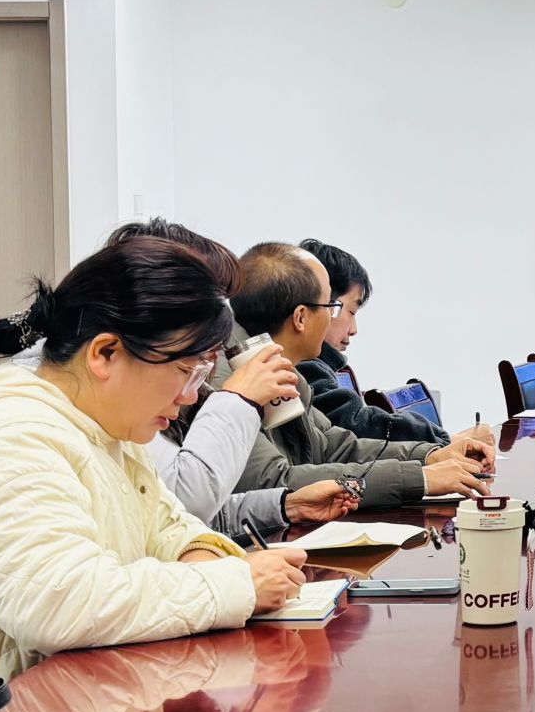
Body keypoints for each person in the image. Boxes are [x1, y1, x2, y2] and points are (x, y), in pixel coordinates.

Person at [0, 238, 309, 701]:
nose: (191, 396)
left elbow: (171, 527)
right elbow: (58, 604)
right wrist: (234, 583)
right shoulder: (13, 439)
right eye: (187, 371)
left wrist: (198, 559)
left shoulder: (105, 429)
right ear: (106, 353)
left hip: (56, 708)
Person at [72, 220, 358, 538]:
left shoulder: (117, 400)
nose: (190, 395)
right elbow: (187, 503)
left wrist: (283, 506)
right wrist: (238, 401)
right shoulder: (47, 431)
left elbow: (166, 516)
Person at [219, 243, 493, 508]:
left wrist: (430, 456)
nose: (346, 324)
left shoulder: (280, 366)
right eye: (330, 307)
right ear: (301, 317)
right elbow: (275, 483)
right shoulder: (228, 382)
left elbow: (333, 447)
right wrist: (418, 479)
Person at [296, 239, 492, 446]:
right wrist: (447, 441)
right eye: (351, 311)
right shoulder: (302, 367)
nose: (354, 330)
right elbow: (357, 428)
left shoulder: (315, 368)